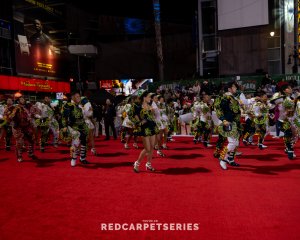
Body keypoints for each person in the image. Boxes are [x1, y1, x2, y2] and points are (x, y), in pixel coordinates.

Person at [214, 81, 241, 170]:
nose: (236, 88)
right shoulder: (223, 97)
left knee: (236, 143)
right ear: (229, 88)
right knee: (232, 142)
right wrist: (223, 119)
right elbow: (218, 108)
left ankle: (230, 159)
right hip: (227, 122)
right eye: (234, 87)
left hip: (234, 122)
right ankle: (222, 159)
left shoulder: (234, 97)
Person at [130, 91, 159, 173]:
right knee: (147, 148)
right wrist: (138, 122)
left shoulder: (149, 105)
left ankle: (148, 164)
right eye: (149, 97)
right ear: (144, 97)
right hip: (144, 129)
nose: (150, 98)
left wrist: (152, 112)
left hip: (152, 127)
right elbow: (131, 114)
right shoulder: (137, 106)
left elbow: (153, 116)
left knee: (152, 147)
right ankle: (137, 163)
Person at [61, 92, 90, 167]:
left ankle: (82, 158)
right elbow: (64, 117)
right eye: (77, 96)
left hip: (82, 126)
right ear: (73, 97)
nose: (79, 98)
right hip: (73, 126)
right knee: (76, 142)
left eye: (79, 96)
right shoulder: (68, 105)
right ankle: (73, 158)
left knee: (84, 140)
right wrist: (64, 126)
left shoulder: (80, 105)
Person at [3, 96, 35, 162]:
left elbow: (34, 112)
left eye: (23, 99)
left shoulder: (28, 106)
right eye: (20, 99)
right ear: (18, 100)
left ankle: (30, 152)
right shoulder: (15, 107)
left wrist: (33, 115)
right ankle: (19, 156)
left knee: (31, 139)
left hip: (27, 125)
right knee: (19, 142)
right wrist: (9, 118)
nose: (22, 100)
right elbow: (5, 114)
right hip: (18, 126)